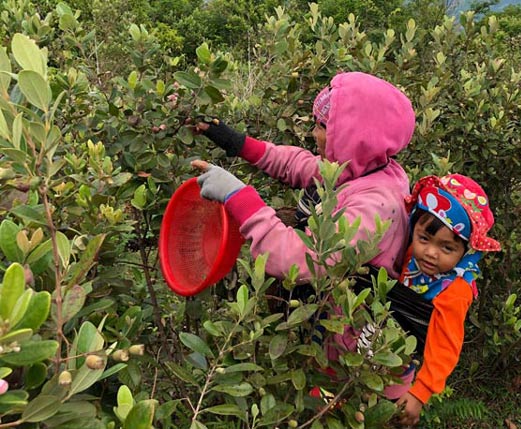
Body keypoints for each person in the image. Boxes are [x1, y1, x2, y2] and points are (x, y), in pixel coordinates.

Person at [190, 71, 416, 282]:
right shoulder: (364, 165)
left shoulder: (376, 205)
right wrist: (233, 141)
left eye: (322, 126)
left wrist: (238, 197)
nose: (314, 134)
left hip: (343, 323)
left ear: (354, 138)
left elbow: (298, 259)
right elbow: (296, 164)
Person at [380, 173, 501, 426]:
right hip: (379, 338)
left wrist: (420, 392)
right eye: (424, 238)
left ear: (465, 251)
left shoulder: (455, 290)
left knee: (382, 410)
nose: (431, 253)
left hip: (400, 364)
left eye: (447, 248)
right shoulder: (413, 253)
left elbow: (445, 345)